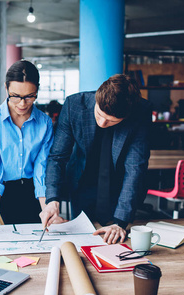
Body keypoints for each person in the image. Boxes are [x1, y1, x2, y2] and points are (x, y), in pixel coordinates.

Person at [39, 74, 152, 244]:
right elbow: (57, 158)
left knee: (116, 240)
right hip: (82, 180)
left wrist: (120, 222)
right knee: (84, 239)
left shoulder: (140, 112)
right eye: (99, 114)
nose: (102, 123)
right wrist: (52, 200)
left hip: (120, 185)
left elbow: (135, 168)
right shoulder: (74, 105)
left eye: (111, 121)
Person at [0, 60, 55, 225]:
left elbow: (41, 169)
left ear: (37, 91)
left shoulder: (44, 123)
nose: (22, 104)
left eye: (29, 96)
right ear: (6, 88)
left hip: (34, 190)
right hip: (6, 192)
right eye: (15, 96)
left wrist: (47, 211)